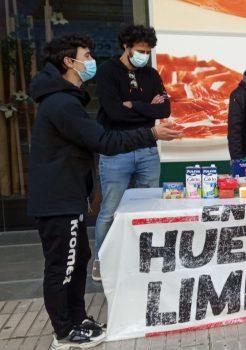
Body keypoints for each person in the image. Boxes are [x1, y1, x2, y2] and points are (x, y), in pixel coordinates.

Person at [28, 34, 180, 349]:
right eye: (86, 55)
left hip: (68, 196)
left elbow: (157, 107)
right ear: (69, 62)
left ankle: (78, 318)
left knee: (78, 257)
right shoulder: (61, 104)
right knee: (63, 265)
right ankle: (64, 333)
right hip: (57, 198)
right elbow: (105, 140)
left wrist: (138, 113)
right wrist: (151, 131)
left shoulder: (65, 100)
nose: (90, 60)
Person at [93, 25, 170, 281]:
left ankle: (143, 260)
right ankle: (101, 261)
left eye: (147, 51)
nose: (144, 55)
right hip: (115, 152)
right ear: (126, 47)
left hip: (147, 150)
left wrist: (134, 105)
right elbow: (114, 112)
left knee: (148, 208)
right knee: (110, 210)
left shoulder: (151, 74)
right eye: (139, 51)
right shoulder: (107, 72)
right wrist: (148, 107)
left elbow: (165, 110)